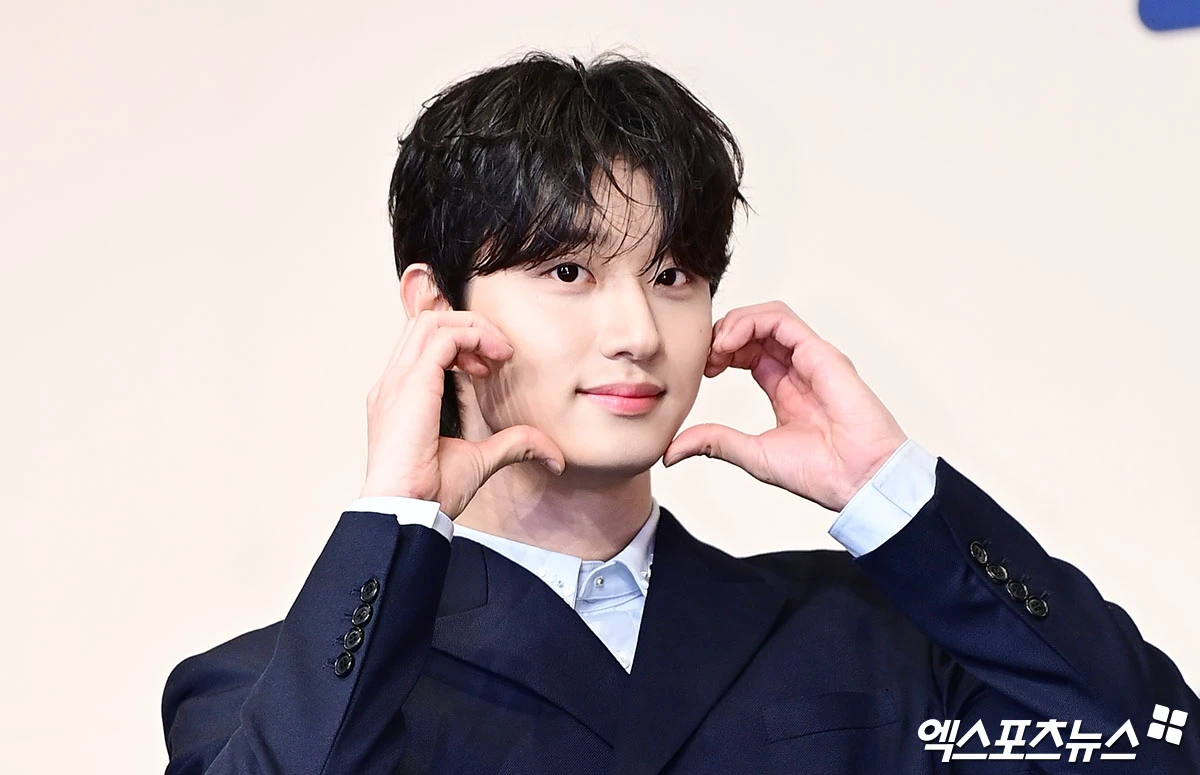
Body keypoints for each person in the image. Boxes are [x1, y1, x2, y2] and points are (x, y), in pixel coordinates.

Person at [161, 52, 1198, 774]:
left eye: (672, 276)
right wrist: (394, 520)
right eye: (568, 271)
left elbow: (1157, 745)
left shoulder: (868, 629)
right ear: (438, 310)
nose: (637, 331)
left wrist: (895, 496)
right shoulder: (265, 688)